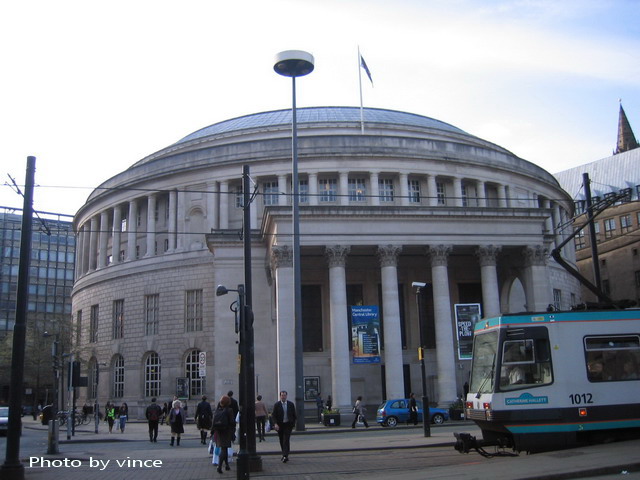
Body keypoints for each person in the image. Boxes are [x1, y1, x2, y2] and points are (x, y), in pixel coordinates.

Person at [212, 395, 236, 474]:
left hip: (219, 431)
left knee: (224, 448)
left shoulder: (218, 410)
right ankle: (219, 466)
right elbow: (232, 422)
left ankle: (227, 465)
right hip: (226, 431)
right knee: (224, 449)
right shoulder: (229, 410)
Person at [272, 390, 297, 463]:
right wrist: (275, 424)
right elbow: (274, 415)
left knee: (286, 439)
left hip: (288, 424)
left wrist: (293, 423)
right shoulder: (277, 405)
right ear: (280, 396)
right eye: (282, 395)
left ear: (286, 396)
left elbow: (294, 414)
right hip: (280, 425)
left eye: (284, 395)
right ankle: (284, 454)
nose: (283, 397)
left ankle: (285, 455)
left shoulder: (290, 404)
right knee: (281, 440)